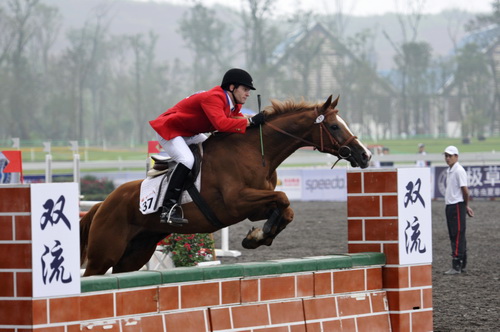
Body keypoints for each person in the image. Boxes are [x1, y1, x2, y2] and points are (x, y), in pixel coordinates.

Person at [149, 68, 265, 225]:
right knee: (187, 160)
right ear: (232, 87)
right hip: (170, 131)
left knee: (213, 150)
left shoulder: (232, 103)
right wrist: (251, 121)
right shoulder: (214, 97)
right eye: (245, 89)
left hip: (190, 132)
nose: (248, 93)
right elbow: (222, 124)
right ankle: (168, 208)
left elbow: (237, 118)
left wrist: (257, 119)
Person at [443, 145, 474, 275]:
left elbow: (465, 191)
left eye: (450, 156)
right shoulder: (450, 170)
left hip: (457, 205)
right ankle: (462, 262)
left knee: (457, 235)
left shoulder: (458, 170)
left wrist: (465, 205)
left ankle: (457, 264)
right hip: (450, 205)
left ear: (456, 156)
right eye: (446, 156)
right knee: (454, 234)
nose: (447, 158)